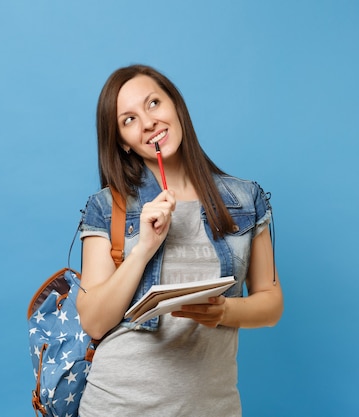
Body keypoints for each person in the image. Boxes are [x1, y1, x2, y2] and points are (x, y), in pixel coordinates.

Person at [76, 64, 283, 417]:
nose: (147, 122)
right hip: (118, 406)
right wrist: (143, 249)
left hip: (212, 407)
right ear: (122, 143)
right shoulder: (108, 206)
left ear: (176, 106)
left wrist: (224, 311)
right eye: (128, 120)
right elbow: (94, 321)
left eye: (153, 103)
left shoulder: (247, 199)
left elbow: (271, 303)